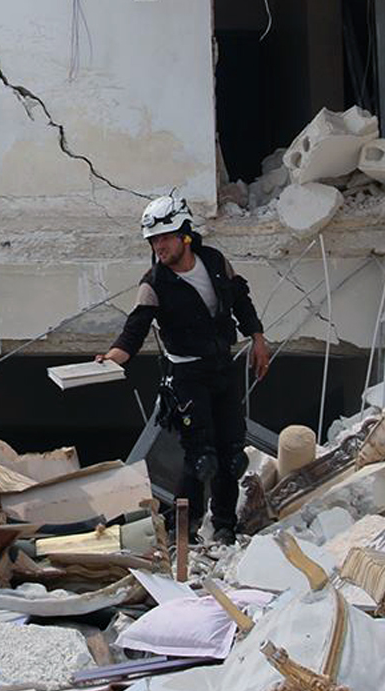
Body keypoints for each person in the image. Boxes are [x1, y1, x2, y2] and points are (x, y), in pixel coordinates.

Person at [99, 195, 268, 544]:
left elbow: (240, 300)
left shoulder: (215, 262)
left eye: (165, 238)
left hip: (222, 369)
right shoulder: (154, 283)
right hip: (187, 377)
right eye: (153, 240)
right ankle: (182, 530)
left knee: (231, 456)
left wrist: (258, 337)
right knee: (200, 459)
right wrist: (114, 356)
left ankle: (224, 527)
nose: (159, 246)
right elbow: (135, 328)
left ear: (185, 235)